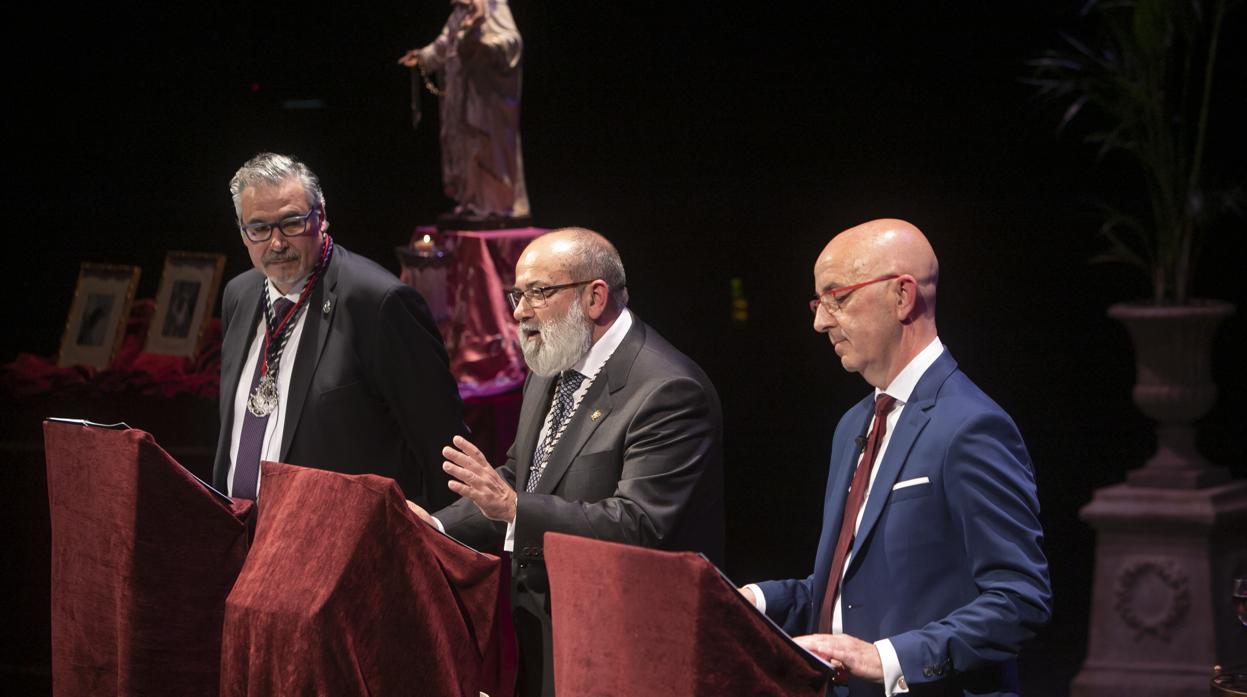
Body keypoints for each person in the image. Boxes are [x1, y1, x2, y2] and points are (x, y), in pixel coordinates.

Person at [408, 227, 725, 697]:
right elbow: (522, 479)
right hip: (548, 631)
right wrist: (434, 528)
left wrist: (516, 508)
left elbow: (637, 525)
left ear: (595, 297)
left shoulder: (668, 391)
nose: (519, 312)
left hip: (627, 644)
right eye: (517, 294)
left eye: (539, 292)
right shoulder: (554, 364)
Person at [741, 219, 1051, 696]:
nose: (820, 321)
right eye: (818, 301)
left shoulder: (971, 426)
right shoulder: (853, 424)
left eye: (836, 297)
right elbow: (846, 589)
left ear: (902, 297)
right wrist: (752, 601)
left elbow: (1019, 600)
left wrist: (888, 658)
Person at [212, 152, 465, 510]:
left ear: (322, 217)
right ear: (242, 231)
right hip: (241, 537)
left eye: (292, 223)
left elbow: (442, 447)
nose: (277, 243)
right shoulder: (239, 294)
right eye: (259, 229)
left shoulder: (378, 303)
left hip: (336, 545)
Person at [397, 0, 529, 222]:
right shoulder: (458, 15)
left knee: (485, 146)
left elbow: (512, 42)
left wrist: (487, 46)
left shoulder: (494, 8)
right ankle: (472, 201)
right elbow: (443, 45)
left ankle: (493, 205)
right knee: (464, 148)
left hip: (485, 99)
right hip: (461, 99)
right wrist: (422, 56)